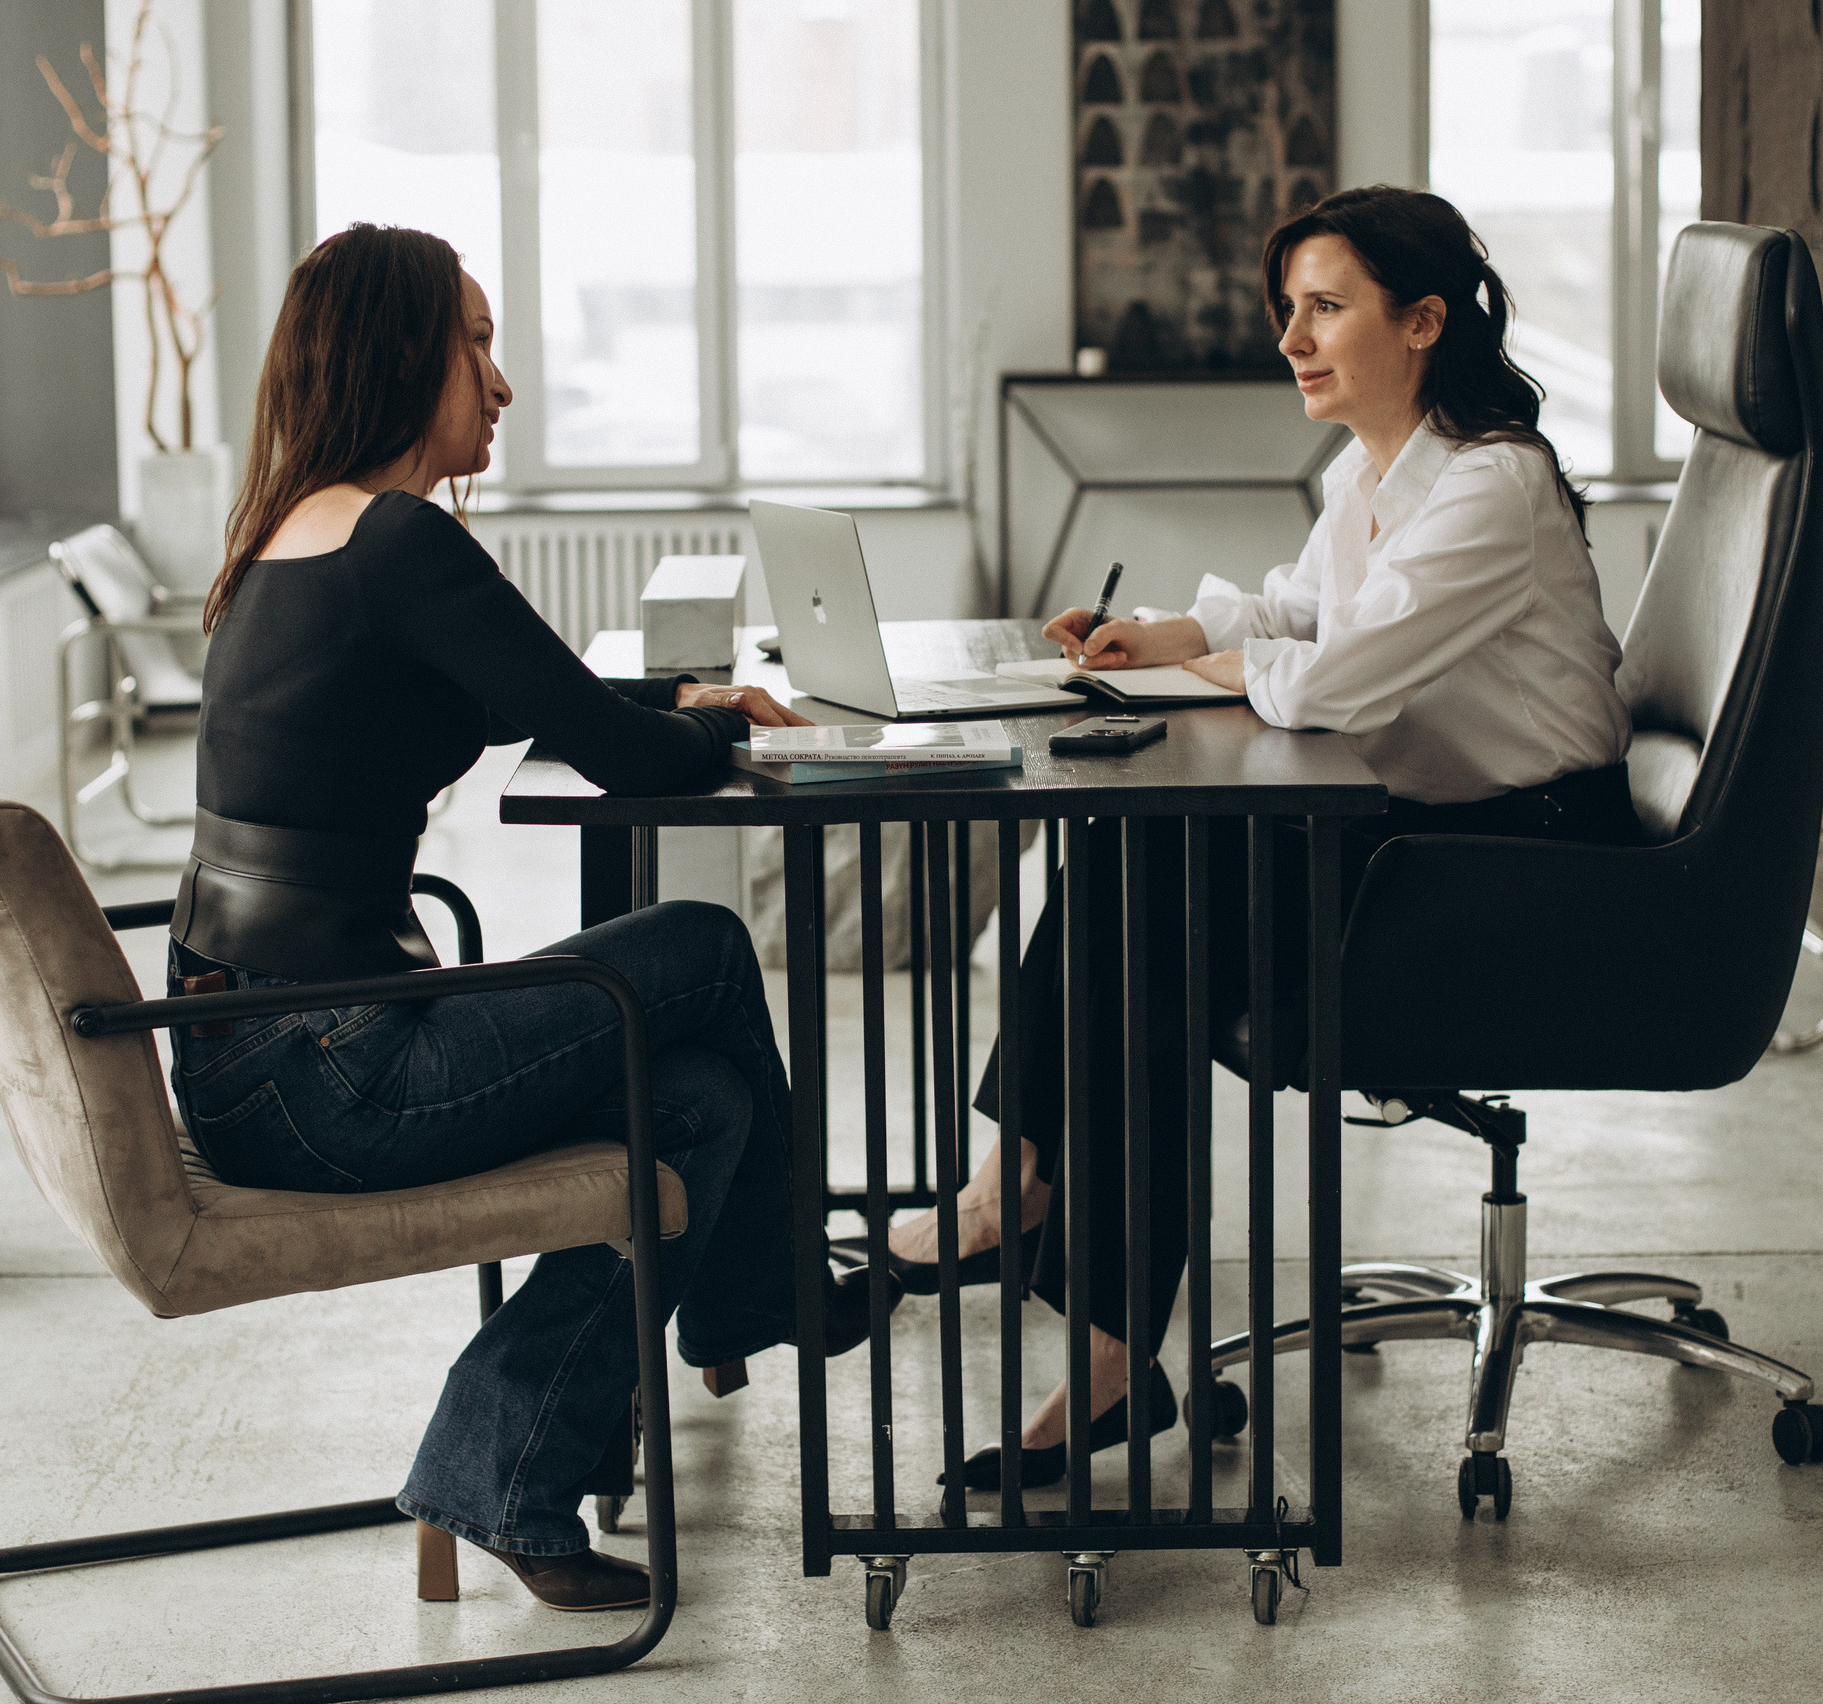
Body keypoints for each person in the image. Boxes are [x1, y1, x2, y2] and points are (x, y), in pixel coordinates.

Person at [166, 223, 889, 1611]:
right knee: (703, 945)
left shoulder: (297, 529)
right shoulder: (396, 541)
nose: (502, 383)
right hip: (333, 1064)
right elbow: (620, 755)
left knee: (696, 1104)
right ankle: (766, 1290)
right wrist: (709, 728)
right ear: (395, 353)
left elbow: (520, 699)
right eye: (476, 343)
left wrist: (673, 710)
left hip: (262, 1049)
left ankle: (502, 1469)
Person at [889, 185, 1641, 1487]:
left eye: (1326, 308)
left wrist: (1239, 663)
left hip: (1528, 868)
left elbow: (1334, 678)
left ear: (1422, 321)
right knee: (1130, 850)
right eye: (1287, 308)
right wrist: (1174, 638)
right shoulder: (1375, 467)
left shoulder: (1491, 486)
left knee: (1158, 885)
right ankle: (1037, 1214)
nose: (1293, 337)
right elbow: (1298, 607)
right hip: (1421, 830)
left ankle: (1055, 1247)